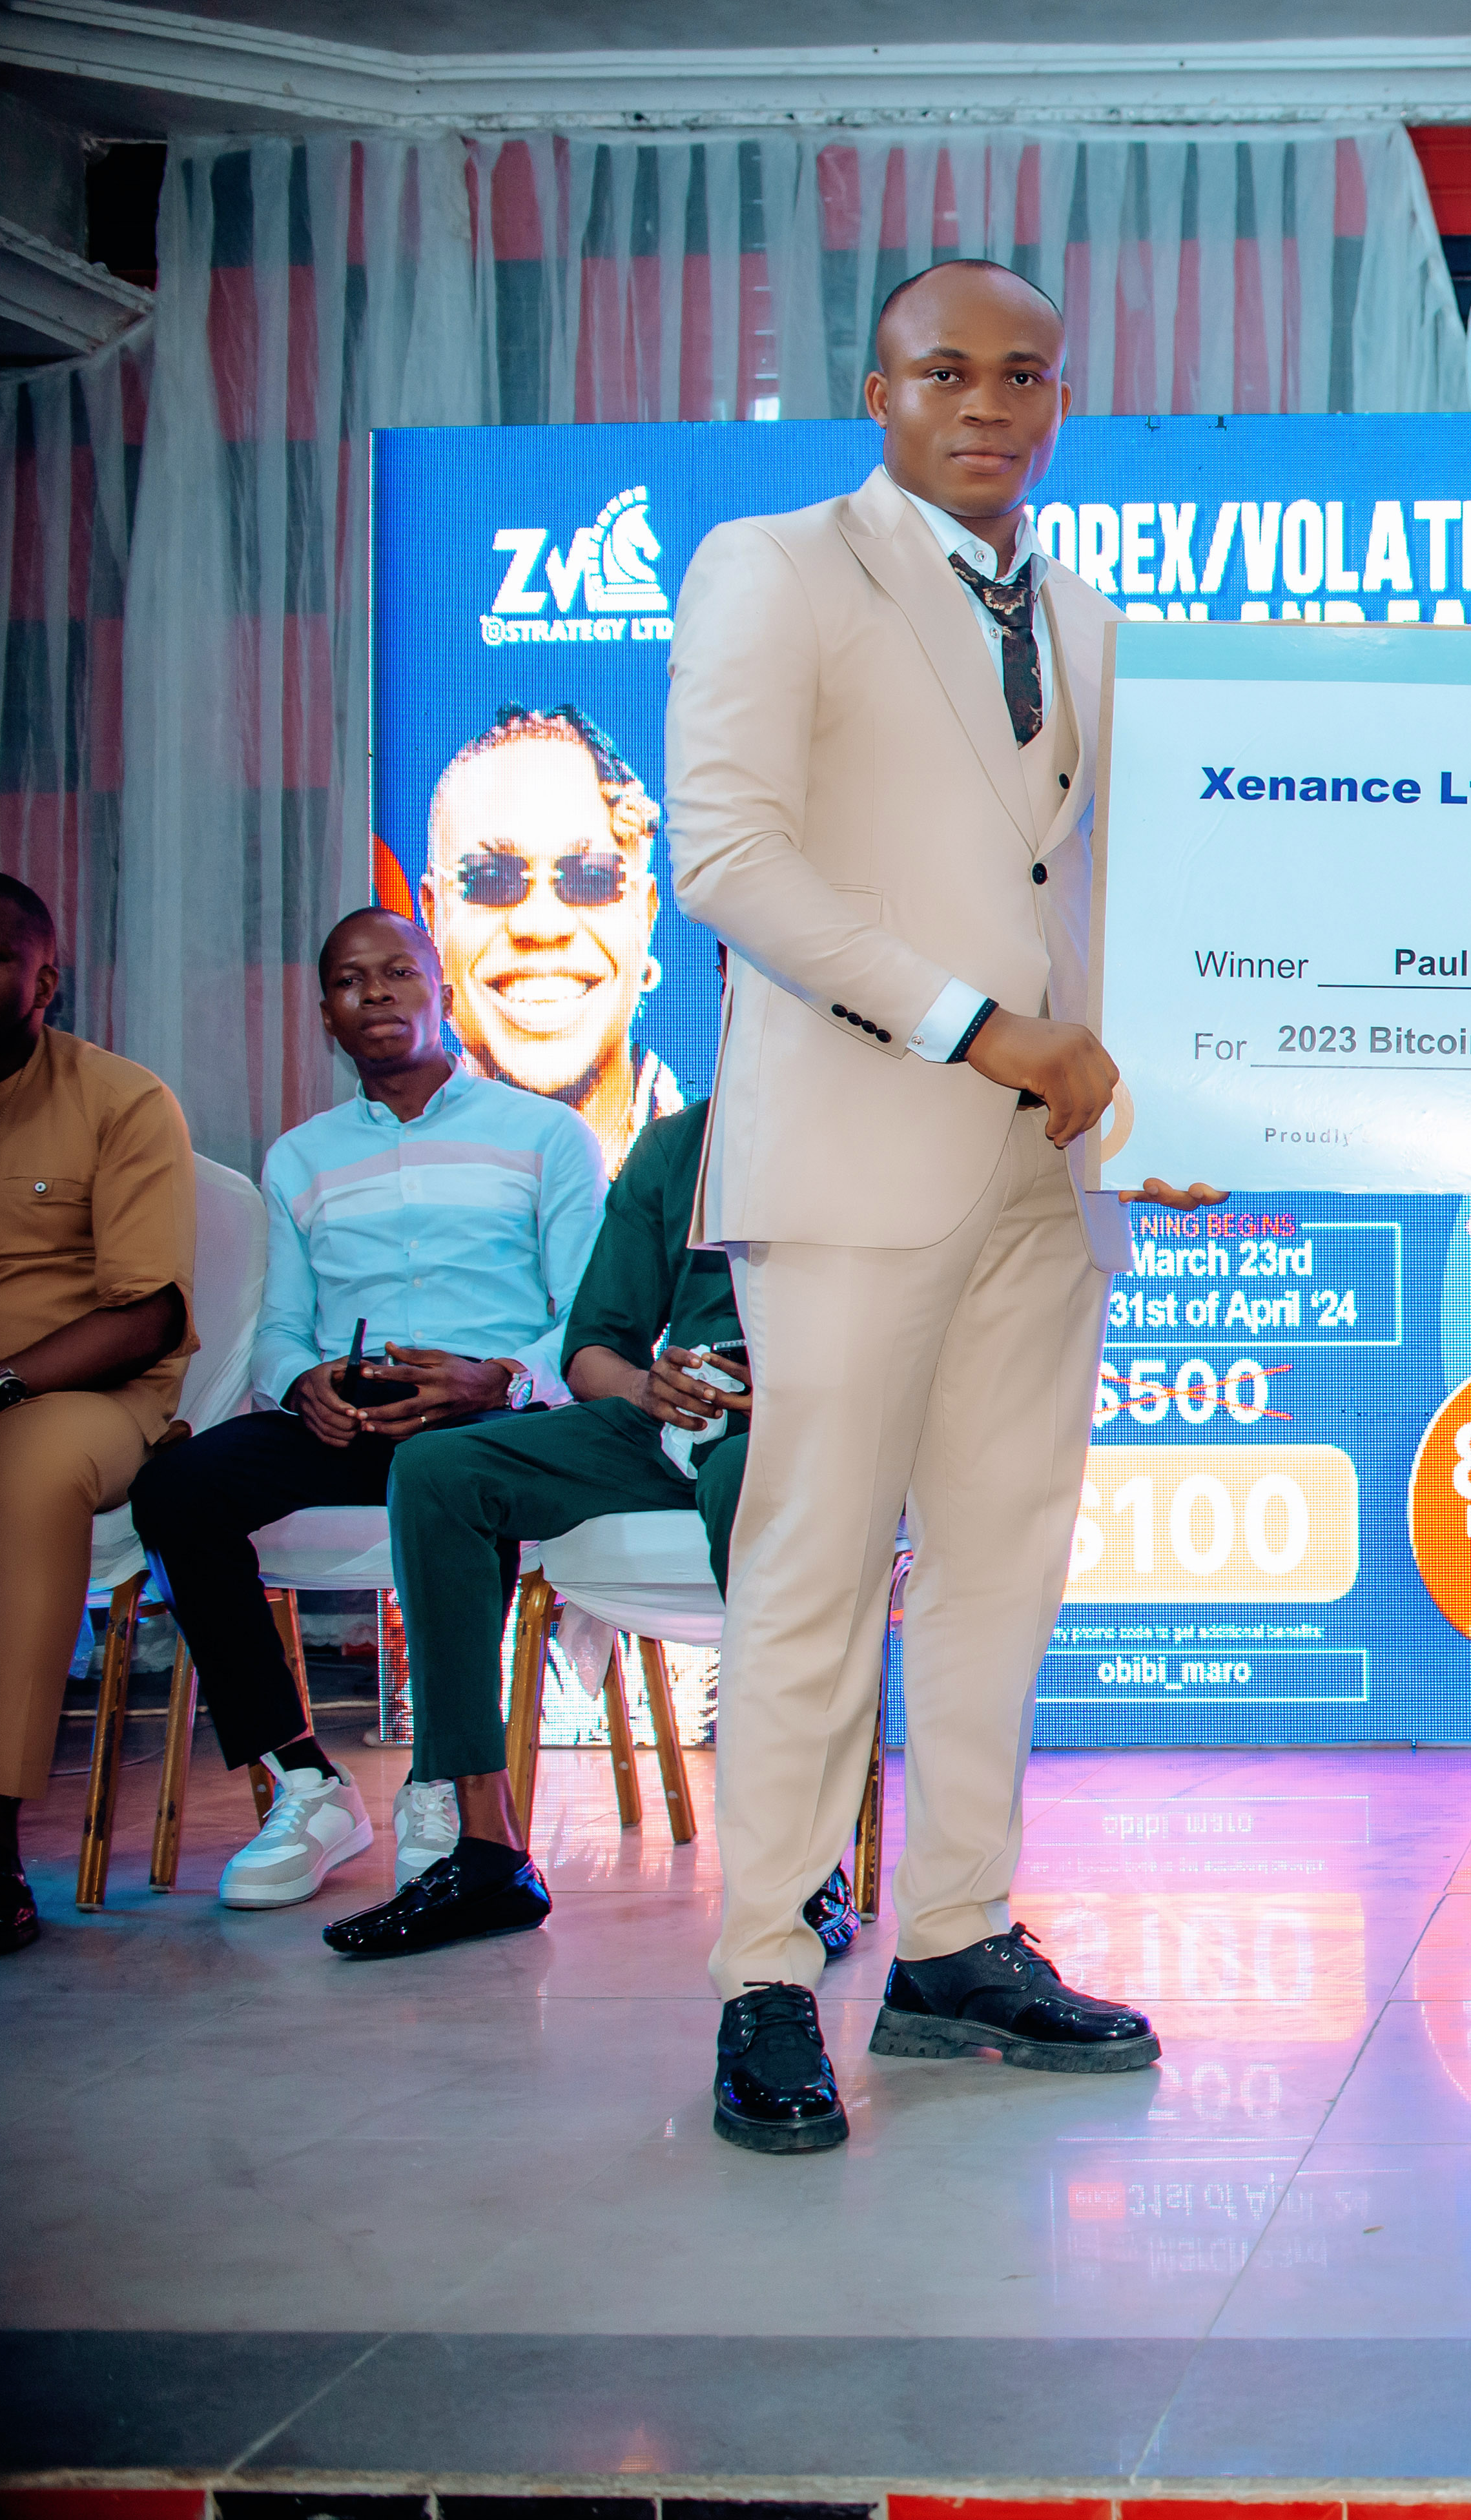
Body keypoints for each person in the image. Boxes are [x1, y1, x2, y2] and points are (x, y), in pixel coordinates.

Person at [668, 256, 1218, 2156]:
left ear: (1060, 401)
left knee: (1002, 1568)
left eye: (1024, 375)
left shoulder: (1086, 615)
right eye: (946, 371)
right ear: (880, 390)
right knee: (814, 1566)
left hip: (1045, 1170)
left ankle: (957, 1940)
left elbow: (1143, 877)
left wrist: (1183, 1098)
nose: (988, 403)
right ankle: (765, 1968)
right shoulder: (775, 567)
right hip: (860, 1142)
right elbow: (728, 857)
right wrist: (980, 1029)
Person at [130, 908, 604, 1915]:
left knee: (459, 1477)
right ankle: (306, 1782)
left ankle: (444, 1779)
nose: (376, 993)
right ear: (327, 1015)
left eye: (399, 972)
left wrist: (498, 1378)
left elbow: (587, 1318)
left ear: (443, 991)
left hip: (493, 1414)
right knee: (177, 1487)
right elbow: (279, 1327)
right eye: (352, 980)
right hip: (357, 1412)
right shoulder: (300, 1157)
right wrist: (300, 1381)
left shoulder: (545, 1134)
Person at [351, 1072, 856, 1962]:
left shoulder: (885, 1129)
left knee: (748, 1481)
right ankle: (485, 1851)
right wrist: (645, 1388)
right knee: (438, 1468)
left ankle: (804, 1859)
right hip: (674, 1416)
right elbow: (592, 1350)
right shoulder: (678, 1144)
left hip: (820, 1422)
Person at [0, 873, 196, 1957]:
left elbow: (149, 1315)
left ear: (44, 982)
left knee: (31, 1475)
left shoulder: (119, 1100)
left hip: (70, 1399)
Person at [417, 701, 684, 1174]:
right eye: (492, 880)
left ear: (645, 916)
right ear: (434, 916)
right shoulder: (373, 1174)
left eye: (591, 879)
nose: (541, 926)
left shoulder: (722, 1162)